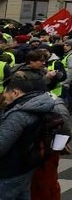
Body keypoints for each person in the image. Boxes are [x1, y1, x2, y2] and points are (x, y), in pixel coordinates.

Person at [0, 71, 56, 200]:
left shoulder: (18, 115)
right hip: (26, 165)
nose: (4, 96)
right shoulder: (38, 105)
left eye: (5, 92)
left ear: (15, 93)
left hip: (9, 171)